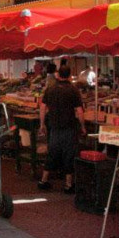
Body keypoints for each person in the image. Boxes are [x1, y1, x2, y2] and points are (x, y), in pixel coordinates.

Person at [38, 64, 85, 193]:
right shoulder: (73, 90)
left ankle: (43, 180)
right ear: (69, 75)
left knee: (52, 153)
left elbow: (42, 107)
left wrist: (42, 124)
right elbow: (79, 111)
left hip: (54, 127)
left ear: (58, 74)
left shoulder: (50, 89)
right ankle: (68, 185)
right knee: (68, 155)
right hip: (69, 127)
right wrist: (82, 126)